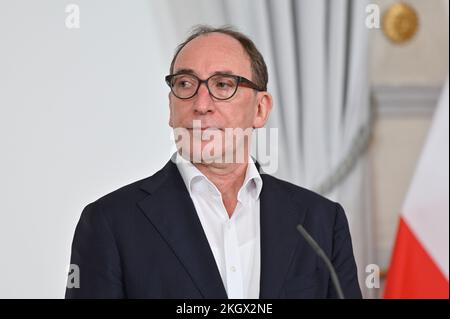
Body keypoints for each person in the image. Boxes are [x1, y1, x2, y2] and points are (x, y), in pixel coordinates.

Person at [65, 25, 362, 299]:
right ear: (171, 107)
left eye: (222, 85)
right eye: (185, 84)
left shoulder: (321, 221)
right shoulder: (109, 223)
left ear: (260, 109)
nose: (201, 104)